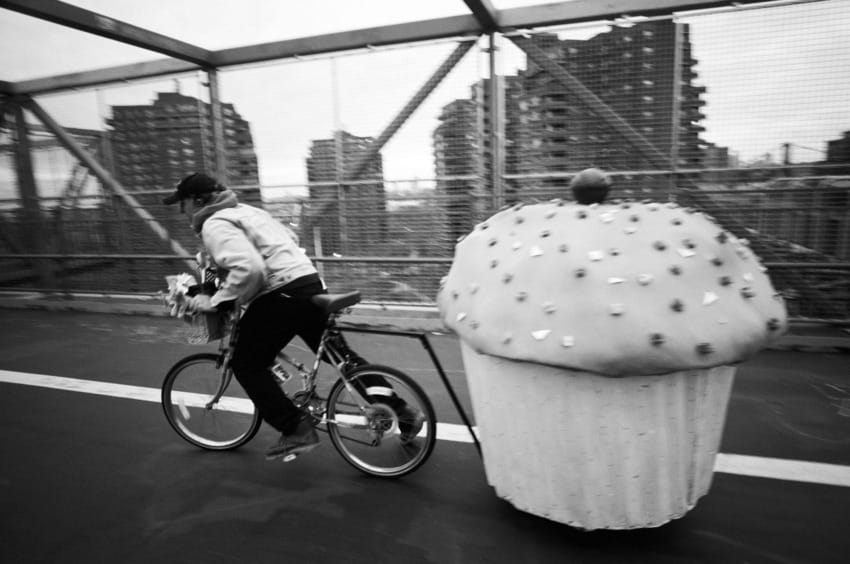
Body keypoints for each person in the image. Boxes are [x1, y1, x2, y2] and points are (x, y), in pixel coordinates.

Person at [162, 172, 424, 460]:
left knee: (246, 363)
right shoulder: (248, 211)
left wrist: (218, 302)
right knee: (340, 357)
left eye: (182, 203)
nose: (181, 210)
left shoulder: (214, 223)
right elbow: (289, 239)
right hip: (309, 283)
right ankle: (404, 412)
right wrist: (215, 286)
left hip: (282, 293)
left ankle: (296, 429)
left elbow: (249, 269)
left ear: (198, 201)